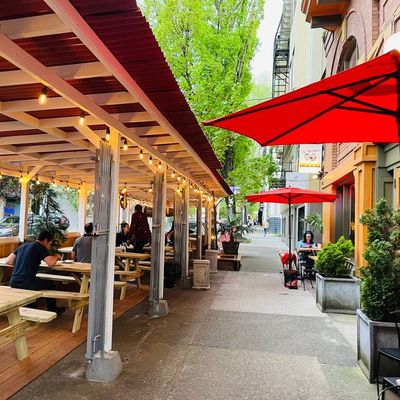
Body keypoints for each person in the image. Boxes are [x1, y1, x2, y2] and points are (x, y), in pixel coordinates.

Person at [5, 230, 64, 315]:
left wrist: (22, 262)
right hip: (27, 283)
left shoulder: (23, 246)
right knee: (51, 284)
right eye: (49, 243)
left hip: (13, 282)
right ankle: (53, 310)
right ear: (45, 241)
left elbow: (8, 261)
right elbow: (50, 262)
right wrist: (56, 256)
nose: (49, 246)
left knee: (40, 281)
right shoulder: (40, 246)